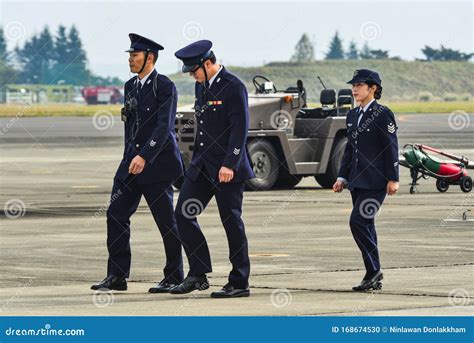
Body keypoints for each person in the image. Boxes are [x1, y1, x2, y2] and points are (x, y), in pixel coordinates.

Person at [91, 33, 184, 293]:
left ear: (150, 58)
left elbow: (163, 127)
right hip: (131, 164)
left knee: (166, 222)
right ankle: (117, 276)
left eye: (135, 55)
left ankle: (175, 276)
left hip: (157, 165)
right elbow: (130, 126)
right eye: (130, 55)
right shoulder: (130, 86)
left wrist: (145, 155)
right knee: (116, 214)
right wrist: (129, 157)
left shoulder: (165, 86)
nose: (130, 59)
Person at [170, 40, 255, 298]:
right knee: (183, 213)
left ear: (208, 63)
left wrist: (230, 163)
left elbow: (240, 130)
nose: (192, 75)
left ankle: (239, 281)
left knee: (231, 222)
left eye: (194, 70)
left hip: (227, 168)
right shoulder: (202, 86)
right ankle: (198, 272)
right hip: (203, 167)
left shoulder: (233, 87)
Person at [332, 69, 399, 291]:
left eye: (360, 85)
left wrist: (393, 178)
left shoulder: (382, 114)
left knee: (358, 222)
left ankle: (373, 270)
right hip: (357, 181)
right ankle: (374, 275)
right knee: (366, 225)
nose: (354, 89)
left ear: (373, 89)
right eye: (353, 85)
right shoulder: (352, 116)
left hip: (377, 181)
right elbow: (350, 150)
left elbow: (391, 147)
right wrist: (342, 176)